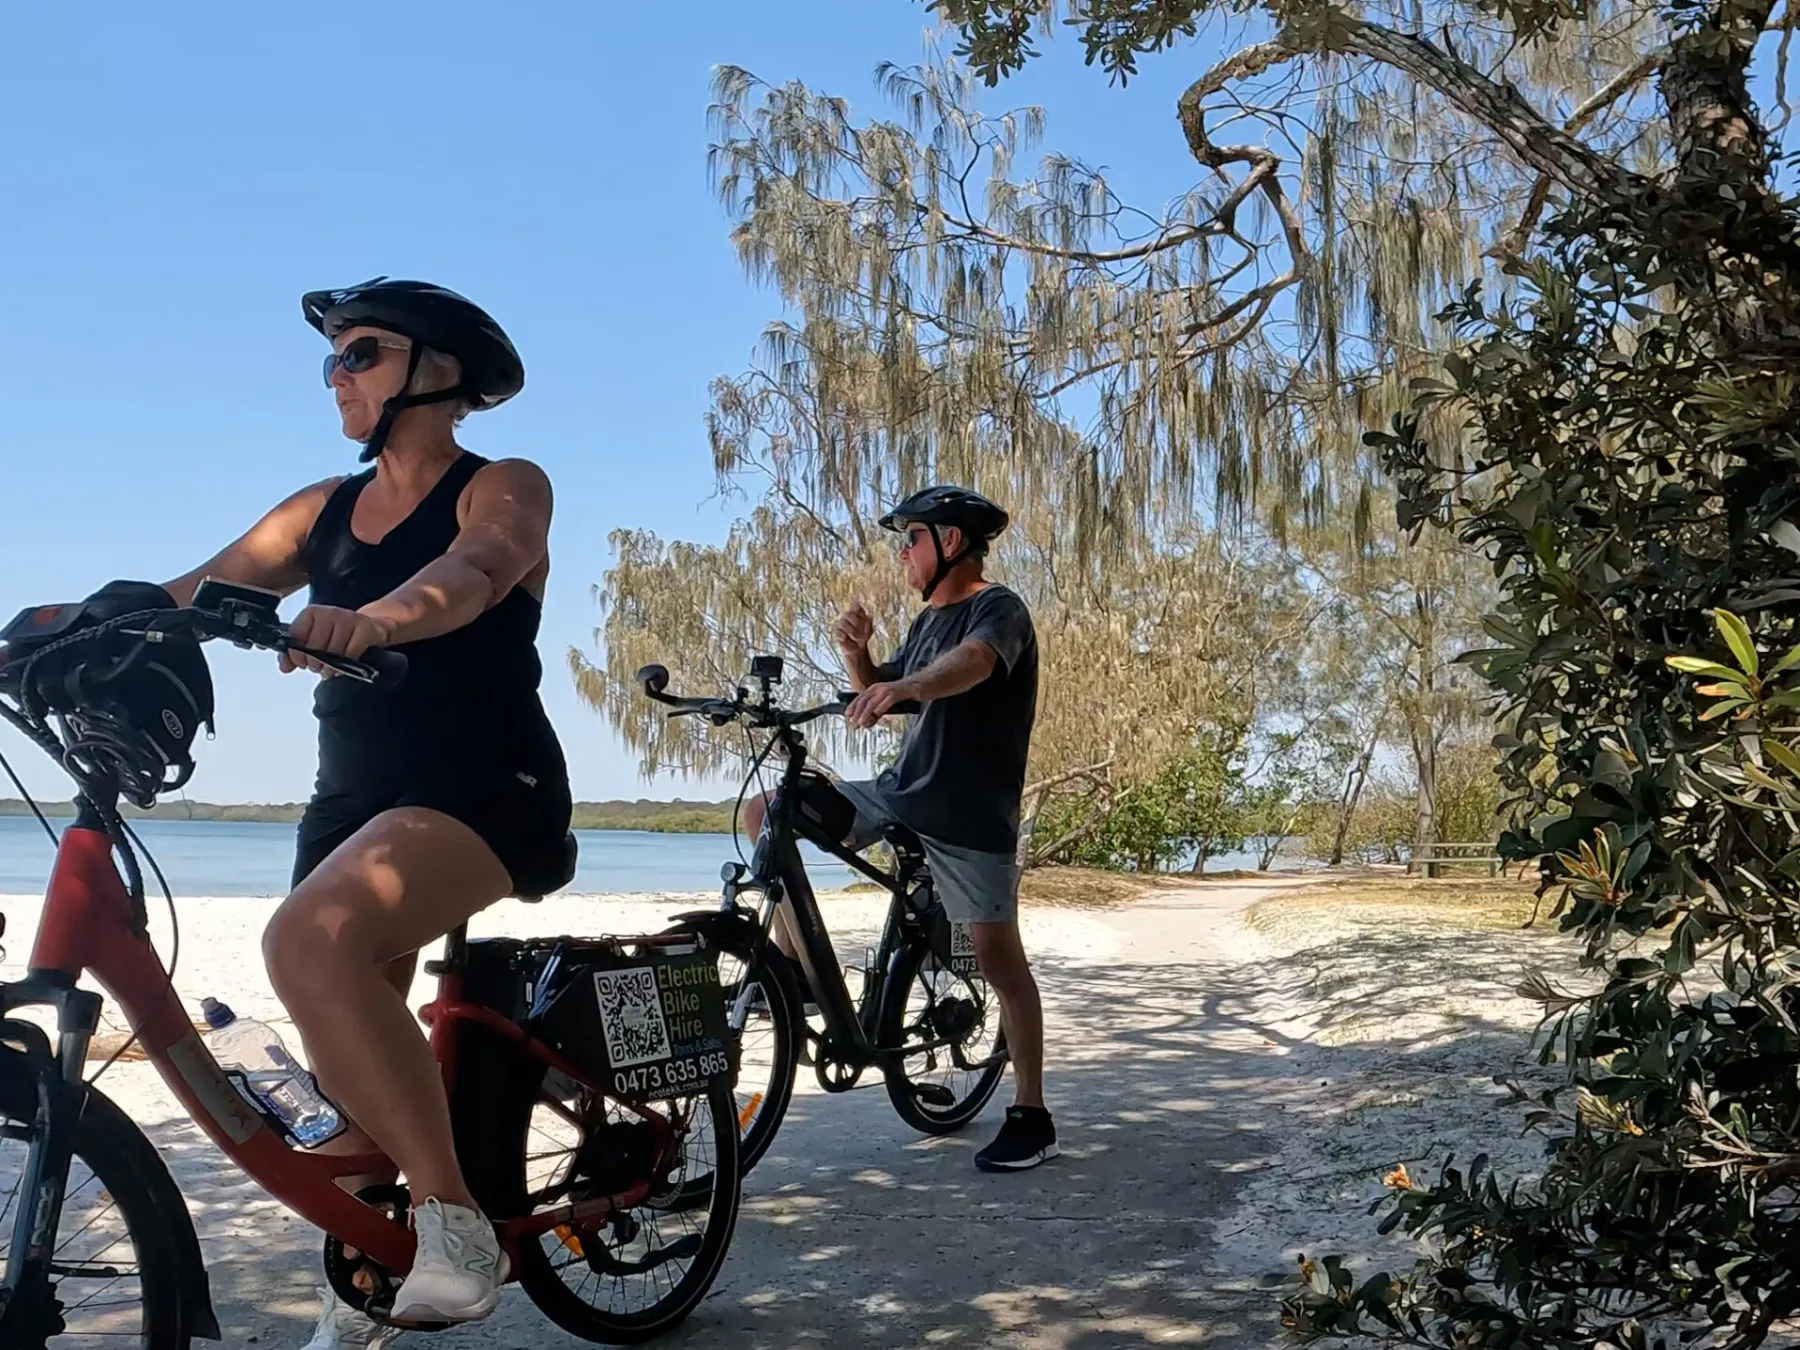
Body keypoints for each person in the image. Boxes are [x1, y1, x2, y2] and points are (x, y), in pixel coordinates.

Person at [159, 279, 573, 1347]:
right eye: (332, 359)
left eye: (362, 354)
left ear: (439, 371)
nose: (336, 376)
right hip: (353, 802)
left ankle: (456, 1222)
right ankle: (363, 1294)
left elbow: (472, 574)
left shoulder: (504, 484)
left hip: (484, 785)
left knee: (307, 941)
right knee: (352, 1079)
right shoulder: (320, 510)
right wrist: (56, 628)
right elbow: (192, 593)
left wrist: (373, 621)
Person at [746, 484, 1057, 1172]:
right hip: (899, 796)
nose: (903, 555)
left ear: (951, 542)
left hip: (971, 821)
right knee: (768, 810)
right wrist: (863, 658)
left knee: (1002, 965)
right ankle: (795, 973)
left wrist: (909, 686)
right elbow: (878, 696)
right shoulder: (924, 628)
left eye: (911, 539)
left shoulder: (997, 609)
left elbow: (971, 665)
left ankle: (1031, 1113)